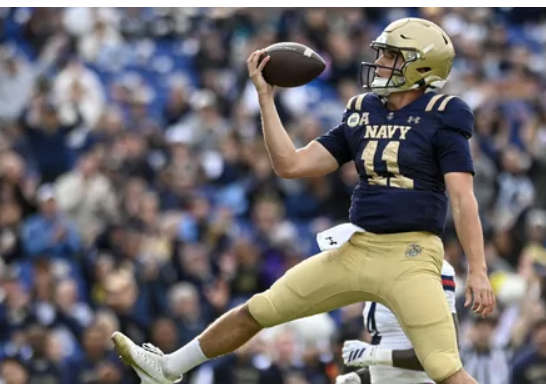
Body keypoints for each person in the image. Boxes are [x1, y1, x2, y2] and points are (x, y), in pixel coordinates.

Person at [111, 17, 495, 384]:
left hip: (410, 255)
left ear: (422, 66)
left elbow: (463, 199)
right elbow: (291, 164)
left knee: (444, 368)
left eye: (391, 56)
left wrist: (477, 268)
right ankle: (167, 368)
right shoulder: (364, 110)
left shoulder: (444, 113)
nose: (379, 62)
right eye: (382, 53)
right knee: (260, 309)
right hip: (358, 248)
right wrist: (266, 99)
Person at [335, 260, 460, 384]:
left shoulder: (432, 267)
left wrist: (373, 355)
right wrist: (364, 377)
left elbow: (444, 354)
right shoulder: (376, 265)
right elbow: (392, 345)